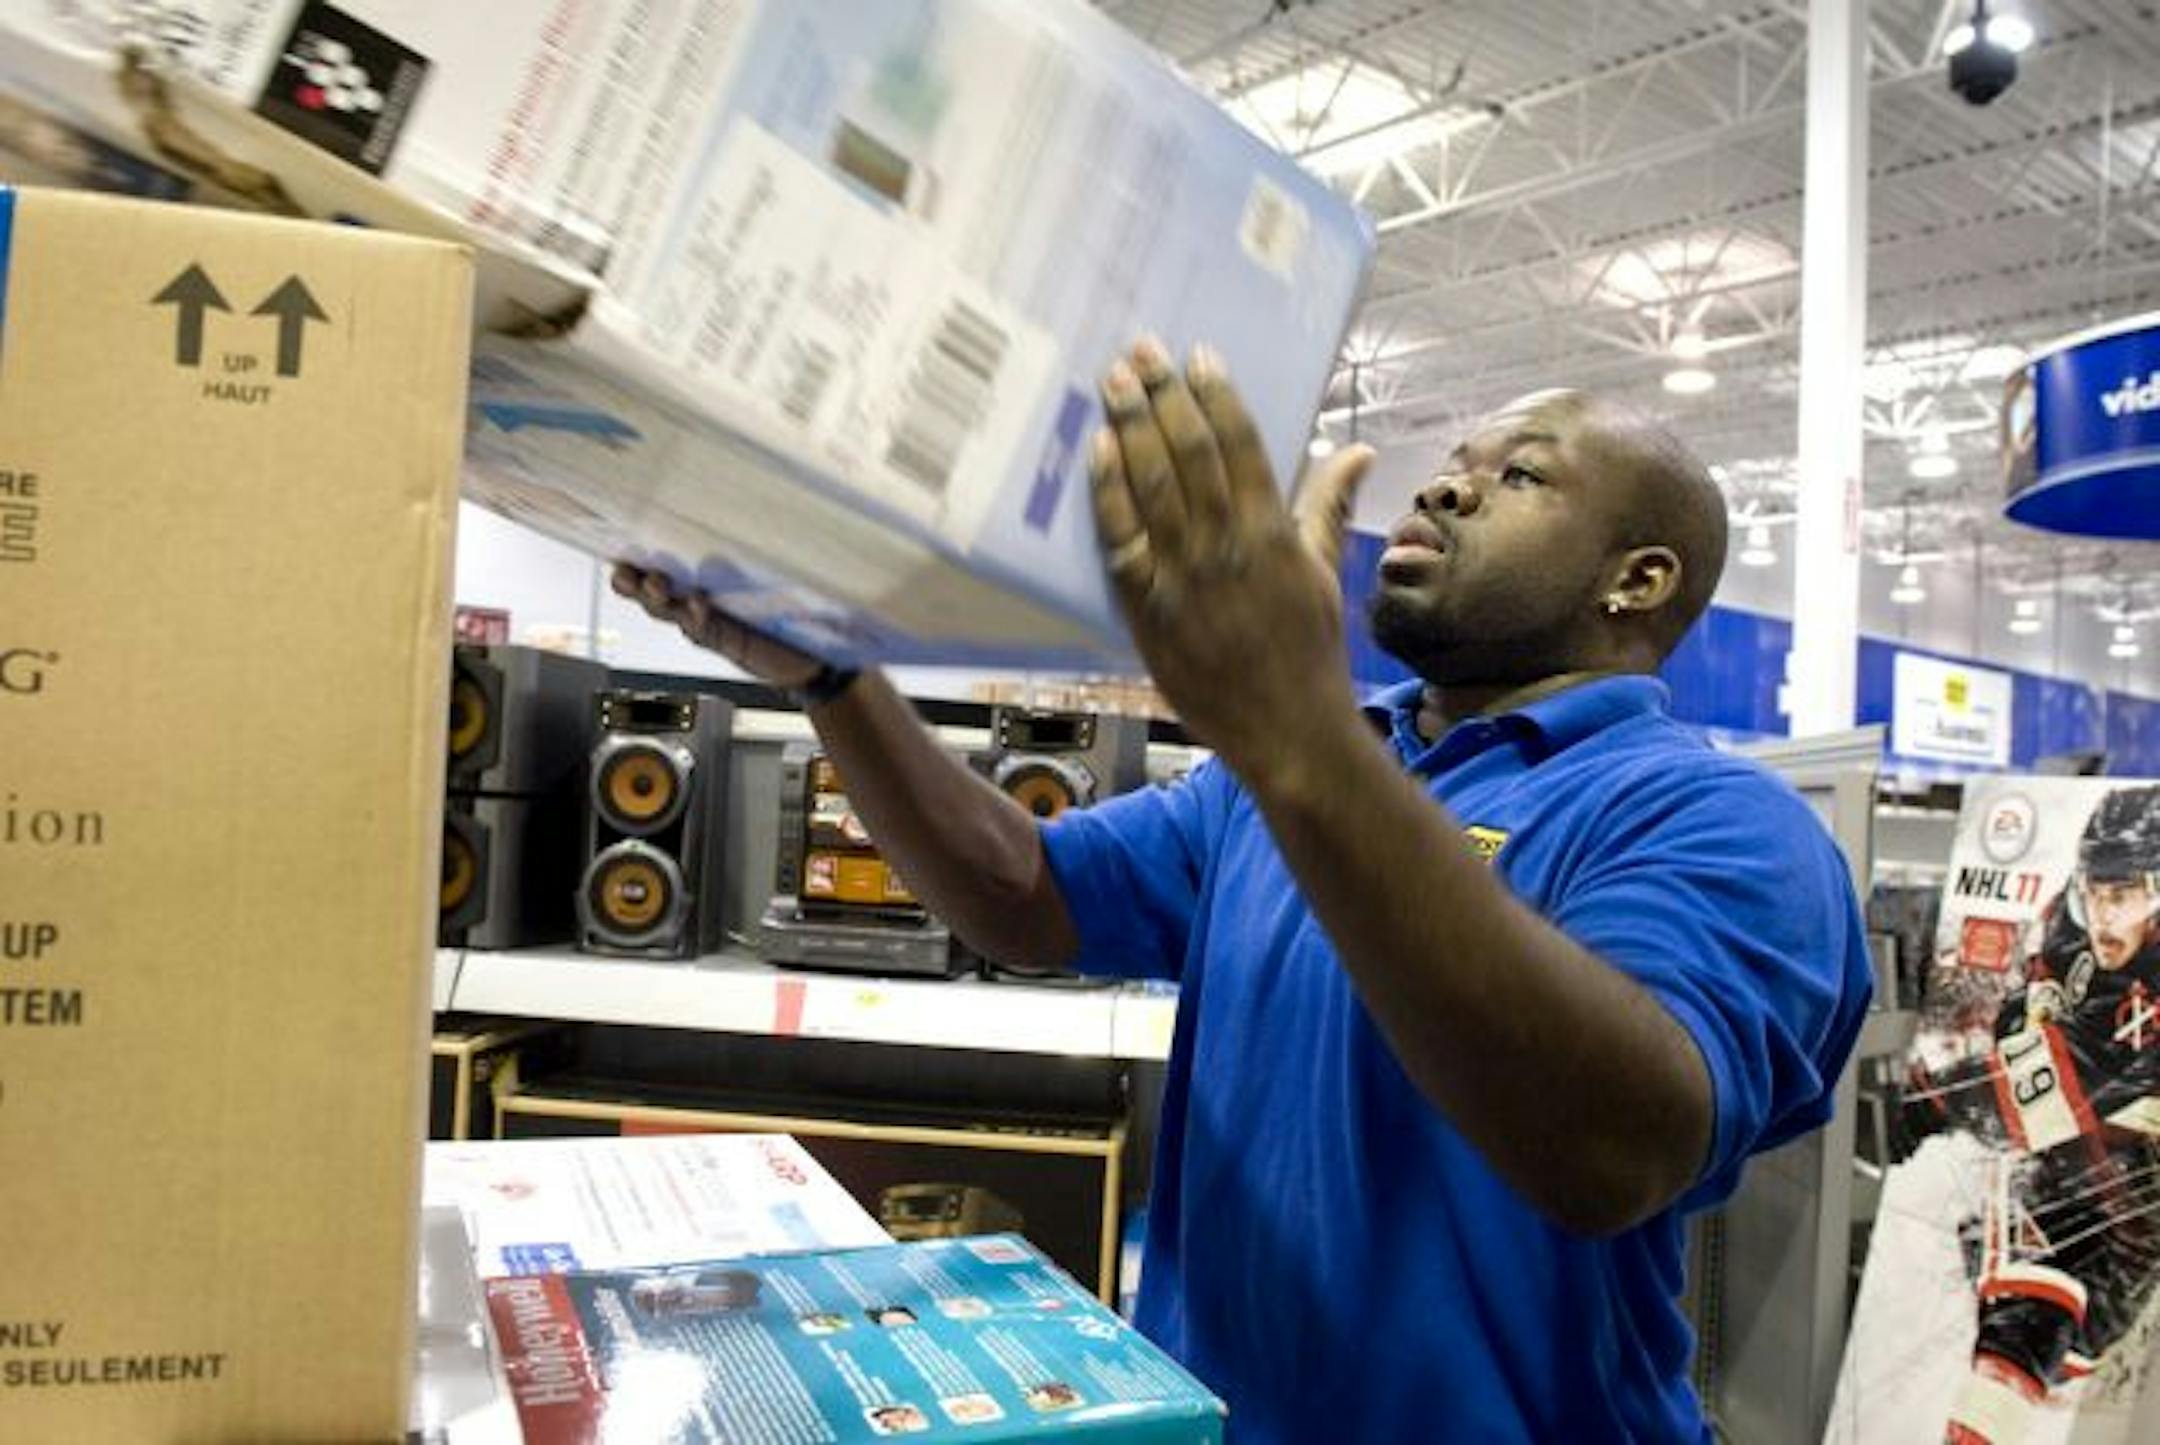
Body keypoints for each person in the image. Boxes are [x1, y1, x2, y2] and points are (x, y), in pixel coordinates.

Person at [615, 338, 1873, 1441]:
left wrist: (1297, 736)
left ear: (1637, 580)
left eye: (1523, 473)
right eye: (1455, 456)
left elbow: (1611, 1145)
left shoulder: (1719, 825)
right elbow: (1021, 892)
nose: (1446, 484)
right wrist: (837, 680)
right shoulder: (1304, 770)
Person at [1903, 786, 2160, 1442]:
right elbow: (2032, 1006)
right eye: (2096, 889)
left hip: (2140, 1193)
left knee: (2070, 1310)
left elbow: (2071, 1079)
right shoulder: (2073, 921)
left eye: (2124, 894)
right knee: (2024, 1296)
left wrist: (1941, 1100)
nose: (2104, 913)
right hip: (2073, 1167)